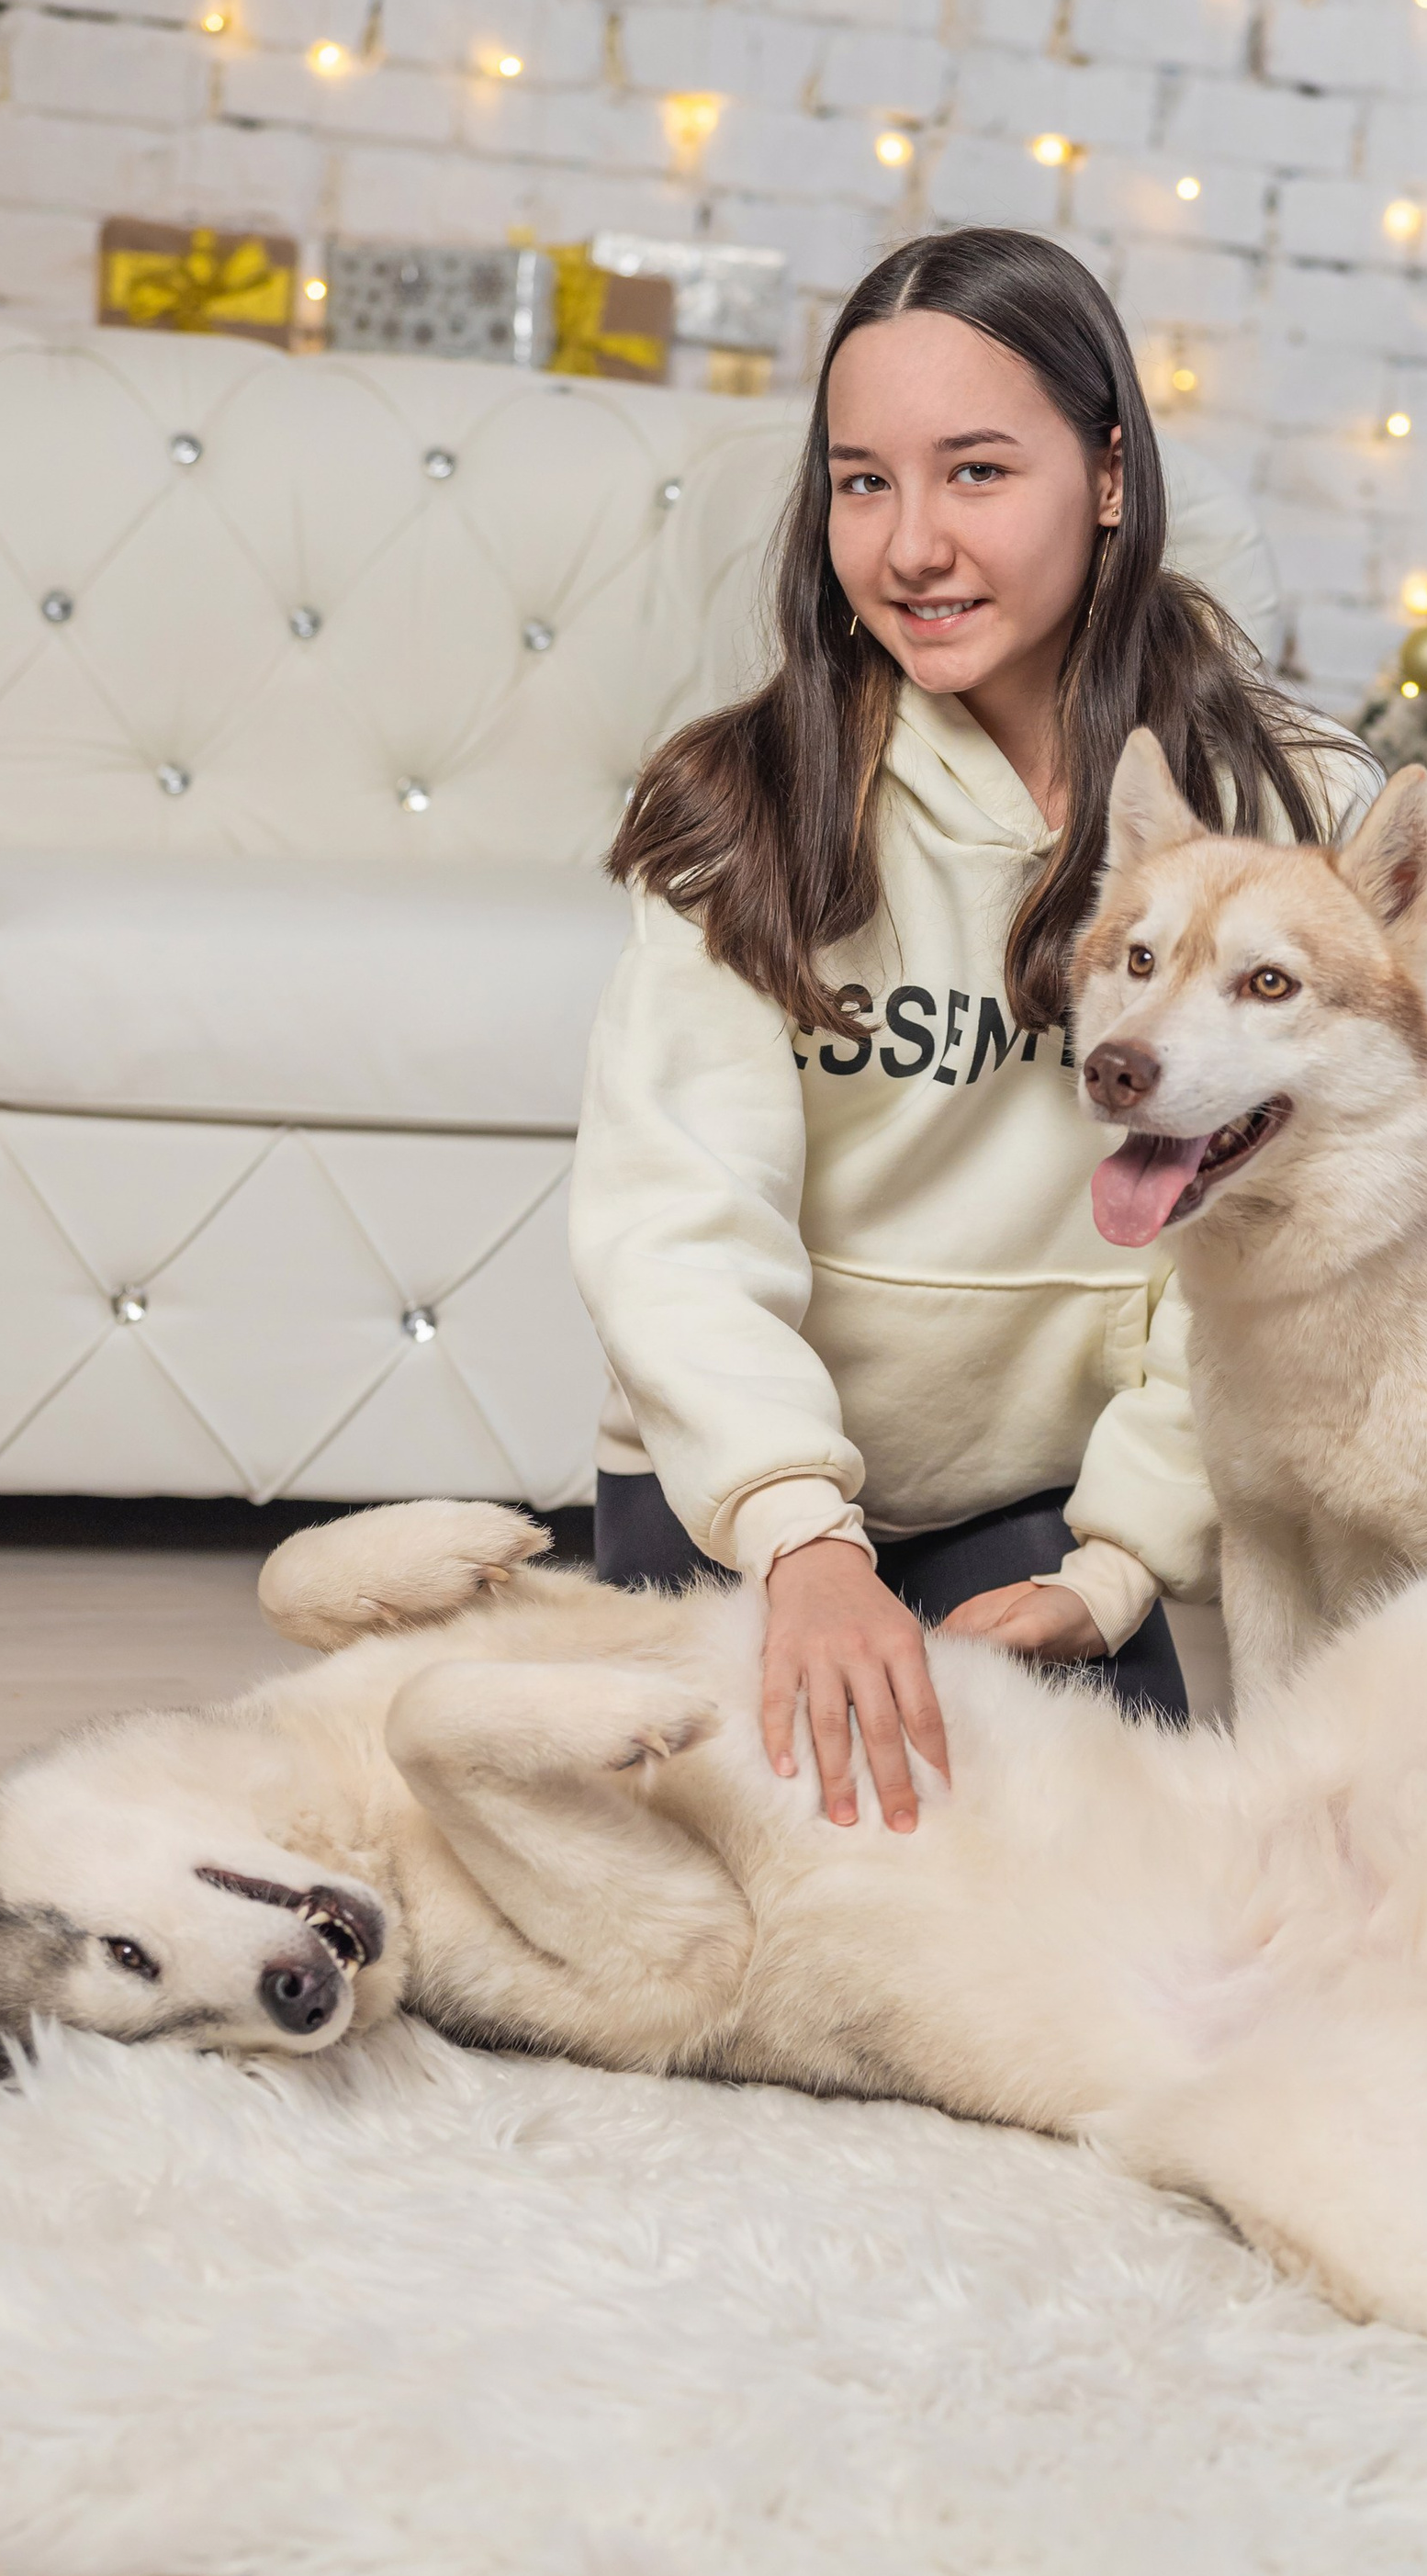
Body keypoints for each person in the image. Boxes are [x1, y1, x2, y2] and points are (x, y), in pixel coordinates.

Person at [569, 226, 1371, 1833]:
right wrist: (800, 1541)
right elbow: (676, 1225)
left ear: (1112, 477)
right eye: (863, 483)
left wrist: (1122, 1562)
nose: (913, 544)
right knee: (768, 1897)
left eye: (979, 472)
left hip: (1053, 1505)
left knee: (1097, 1886)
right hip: (742, 1497)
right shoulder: (741, 808)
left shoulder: (1295, 810)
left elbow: (1284, 1253)